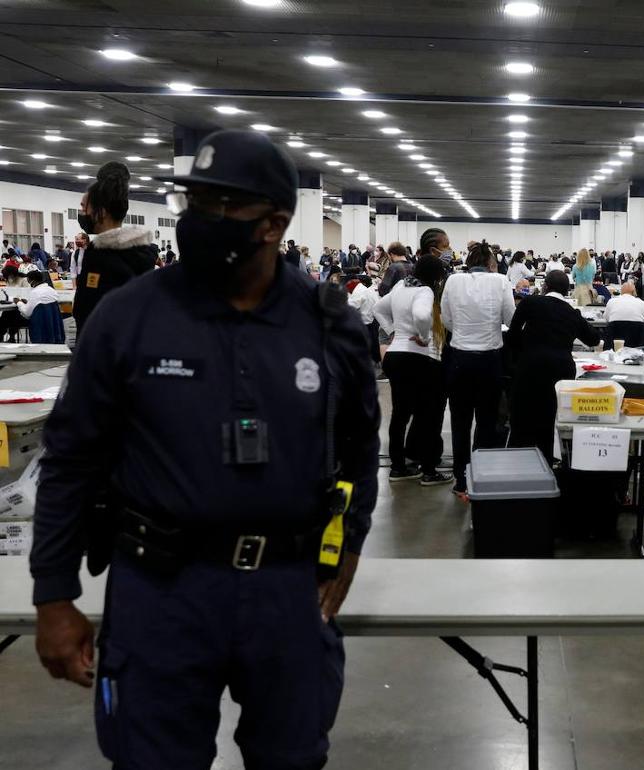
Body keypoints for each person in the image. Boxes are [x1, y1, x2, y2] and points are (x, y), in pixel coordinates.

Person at [30, 128, 379, 769]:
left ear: (273, 224)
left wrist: (349, 544)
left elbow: (360, 441)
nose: (200, 220)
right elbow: (70, 458)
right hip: (160, 589)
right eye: (196, 203)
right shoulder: (128, 317)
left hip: (287, 591)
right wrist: (54, 593)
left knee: (292, 759)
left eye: (222, 206)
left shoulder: (327, 321)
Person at [440, 240, 515, 496]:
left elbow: (446, 319)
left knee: (460, 422)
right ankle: (480, 476)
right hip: (489, 360)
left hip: (459, 359)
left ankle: (460, 478)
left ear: (469, 262)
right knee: (486, 421)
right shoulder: (500, 281)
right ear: (490, 264)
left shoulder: (452, 281)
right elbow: (510, 319)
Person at [505, 270, 601, 462]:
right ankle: (547, 461)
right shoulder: (571, 313)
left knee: (522, 417)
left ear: (545, 286)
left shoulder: (530, 302)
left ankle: (518, 461)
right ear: (567, 291)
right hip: (561, 371)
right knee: (550, 418)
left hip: (530, 366)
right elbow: (593, 339)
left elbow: (512, 334)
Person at [374, 255, 453, 484]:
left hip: (395, 355)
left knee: (399, 415)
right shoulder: (425, 291)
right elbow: (421, 315)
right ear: (436, 276)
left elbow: (378, 308)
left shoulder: (400, 285)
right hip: (417, 359)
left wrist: (392, 331)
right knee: (427, 415)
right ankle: (429, 471)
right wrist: (424, 336)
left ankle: (398, 468)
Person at [72, 161, 158, 335]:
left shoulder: (103, 258)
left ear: (101, 212)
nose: (81, 213)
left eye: (83, 207)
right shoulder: (140, 254)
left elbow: (93, 313)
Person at [347, 274, 381, 363]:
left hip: (365, 323)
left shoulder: (361, 290)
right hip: (372, 321)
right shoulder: (370, 290)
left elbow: (352, 306)